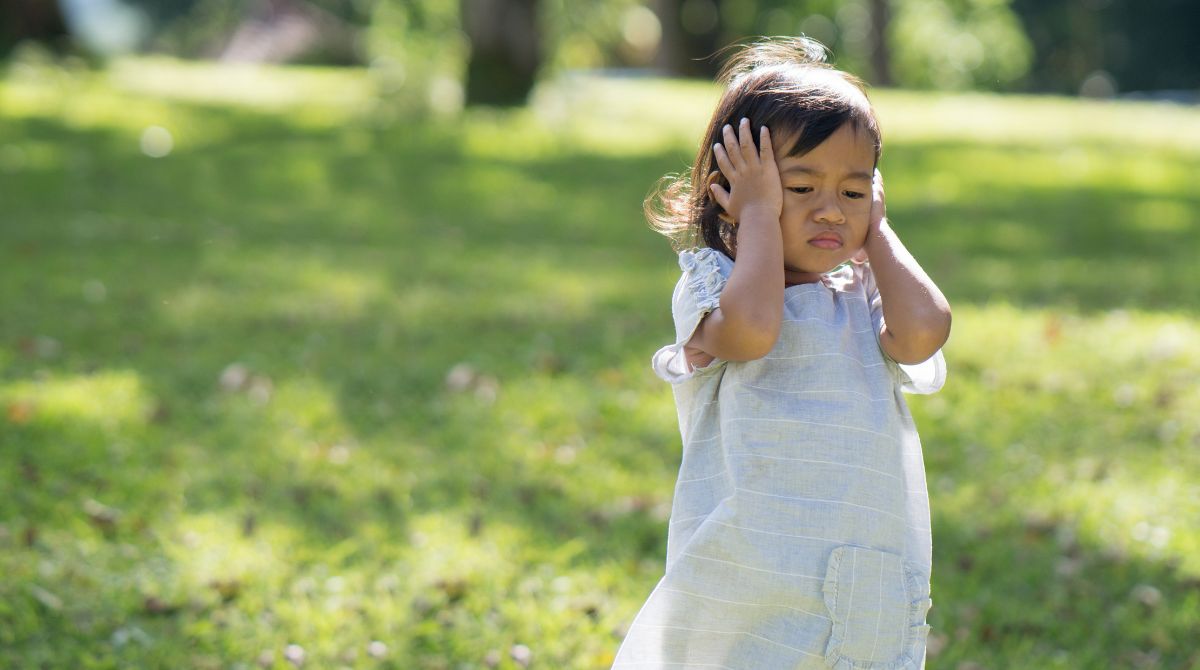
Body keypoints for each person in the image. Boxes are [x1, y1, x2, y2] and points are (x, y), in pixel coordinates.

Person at [612, 37, 952, 669]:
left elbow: (926, 332)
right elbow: (754, 332)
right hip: (748, 572)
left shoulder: (861, 295)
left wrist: (876, 232)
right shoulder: (713, 285)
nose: (831, 209)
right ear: (731, 192)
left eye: (853, 192)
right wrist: (761, 218)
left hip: (855, 571)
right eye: (799, 187)